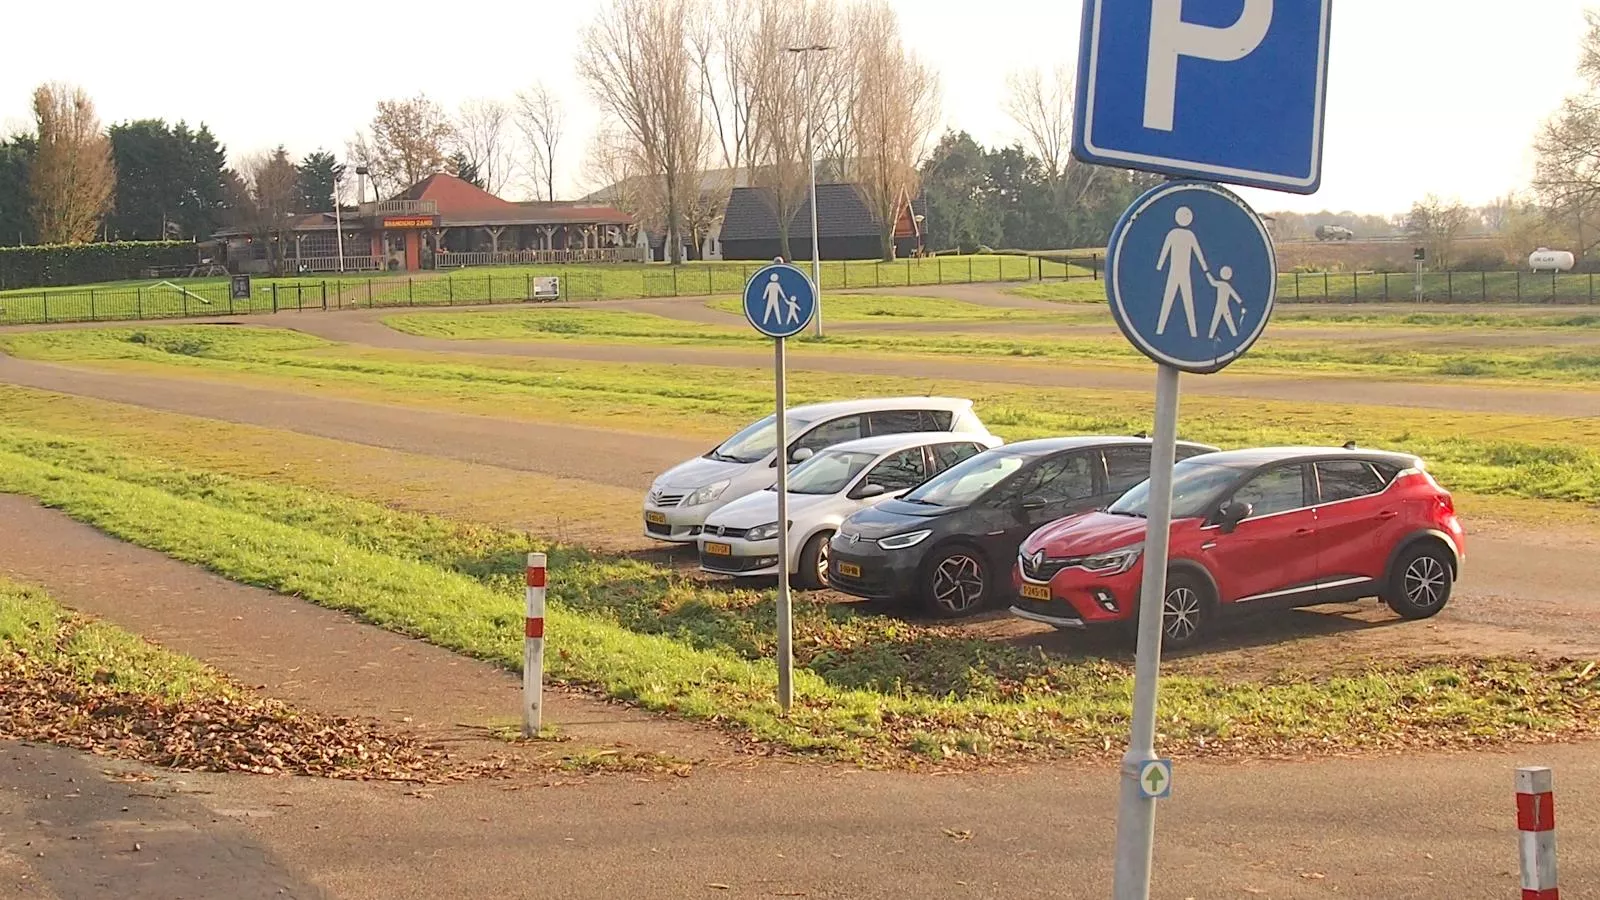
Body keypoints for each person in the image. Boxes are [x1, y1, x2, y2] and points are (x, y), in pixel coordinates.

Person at [1156, 206, 1209, 338]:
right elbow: (1165, 250)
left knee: (1187, 300)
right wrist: (1160, 265)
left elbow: (1197, 252)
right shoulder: (1175, 234)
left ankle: (1193, 332)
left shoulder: (1186, 235)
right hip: (1175, 272)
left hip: (1183, 273)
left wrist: (1204, 267)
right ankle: (1160, 329)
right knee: (1170, 300)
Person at [1205, 265, 1246, 339]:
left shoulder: (1222, 284)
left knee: (1217, 319)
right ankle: (1233, 334)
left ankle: (1211, 336)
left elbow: (1212, 282)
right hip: (1223, 305)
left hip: (1221, 305)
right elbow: (1234, 294)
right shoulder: (1226, 285)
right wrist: (1240, 302)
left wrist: (1207, 273)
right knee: (1226, 320)